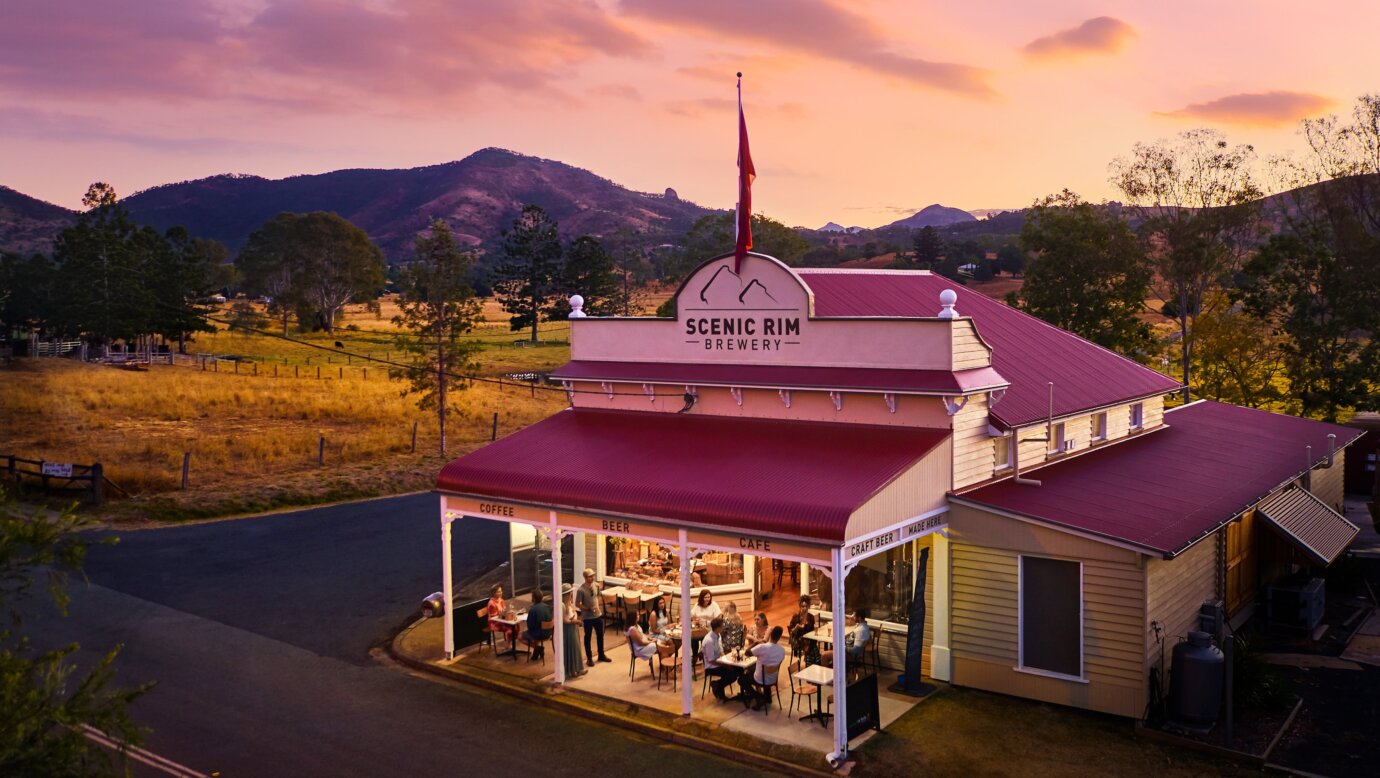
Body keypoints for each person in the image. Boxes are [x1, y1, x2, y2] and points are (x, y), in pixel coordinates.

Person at [701, 617, 743, 701]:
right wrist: (725, 665)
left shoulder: (718, 635)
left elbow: (721, 651)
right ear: (718, 628)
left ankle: (718, 686)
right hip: (711, 667)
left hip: (719, 662)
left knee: (739, 670)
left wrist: (727, 660)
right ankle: (717, 685)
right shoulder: (709, 641)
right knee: (732, 674)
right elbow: (711, 660)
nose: (724, 627)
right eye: (722, 626)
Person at [745, 626, 787, 710]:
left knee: (742, 679)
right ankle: (767, 697)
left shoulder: (763, 647)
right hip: (773, 678)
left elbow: (747, 653)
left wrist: (756, 643)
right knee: (754, 669)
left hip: (760, 679)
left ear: (770, 635)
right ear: (779, 637)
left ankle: (759, 697)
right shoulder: (782, 650)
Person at [576, 568, 612, 664]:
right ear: (585, 577)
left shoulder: (596, 585)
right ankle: (589, 658)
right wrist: (587, 609)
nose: (592, 578)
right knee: (587, 637)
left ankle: (601, 654)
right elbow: (577, 604)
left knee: (600, 635)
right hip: (587, 617)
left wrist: (598, 606)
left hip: (597, 615)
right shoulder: (581, 590)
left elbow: (598, 596)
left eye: (593, 576)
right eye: (590, 576)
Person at [561, 584, 585, 677]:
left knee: (576, 647)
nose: (571, 595)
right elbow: (563, 619)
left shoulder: (569, 603)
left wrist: (575, 617)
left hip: (573, 627)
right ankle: (571, 670)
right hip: (568, 629)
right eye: (570, 593)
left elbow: (574, 612)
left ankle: (578, 668)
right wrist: (573, 621)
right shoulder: (562, 605)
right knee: (571, 648)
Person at [522, 589, 552, 661]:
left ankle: (538, 649)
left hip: (538, 634)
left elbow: (530, 626)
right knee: (536, 632)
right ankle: (536, 652)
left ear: (533, 598)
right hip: (549, 632)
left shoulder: (533, 610)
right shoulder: (548, 607)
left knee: (520, 636)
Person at [787, 595, 819, 664]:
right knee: (809, 645)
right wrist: (796, 627)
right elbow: (791, 632)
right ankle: (809, 662)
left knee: (814, 645)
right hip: (798, 639)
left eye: (805, 606)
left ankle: (813, 662)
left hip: (809, 638)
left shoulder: (810, 617)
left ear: (808, 607)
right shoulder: (796, 616)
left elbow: (813, 630)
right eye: (802, 606)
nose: (803, 608)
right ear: (800, 606)